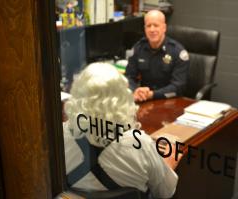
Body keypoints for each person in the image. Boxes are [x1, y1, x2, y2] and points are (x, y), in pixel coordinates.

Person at [63, 62, 181, 198]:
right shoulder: (140, 144)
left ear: (77, 94)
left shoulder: (60, 135)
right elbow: (166, 192)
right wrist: (168, 162)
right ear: (122, 96)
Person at [125, 10, 190, 102]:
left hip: (169, 102)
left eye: (156, 25)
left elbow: (178, 87)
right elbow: (129, 76)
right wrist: (135, 90)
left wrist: (152, 95)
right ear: (145, 29)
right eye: (148, 26)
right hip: (144, 99)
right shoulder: (138, 48)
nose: (152, 30)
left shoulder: (177, 52)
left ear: (164, 28)